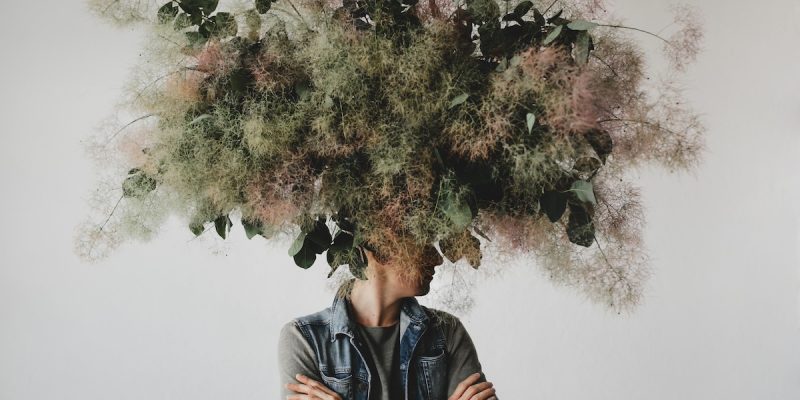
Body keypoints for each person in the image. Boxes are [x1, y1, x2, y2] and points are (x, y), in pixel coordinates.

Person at [278, 242, 498, 400]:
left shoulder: (447, 331)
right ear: (381, 247)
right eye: (424, 242)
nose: (438, 259)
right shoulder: (304, 339)